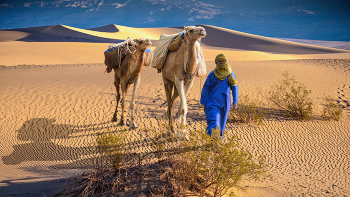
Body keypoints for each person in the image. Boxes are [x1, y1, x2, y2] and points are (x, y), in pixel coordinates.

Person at [200, 54, 238, 137]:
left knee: (221, 126)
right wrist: (204, 103)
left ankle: (218, 144)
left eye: (223, 61)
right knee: (214, 123)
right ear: (216, 62)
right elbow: (206, 88)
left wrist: (235, 101)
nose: (221, 62)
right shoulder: (212, 75)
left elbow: (235, 88)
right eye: (220, 61)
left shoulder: (230, 75)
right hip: (212, 103)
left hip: (225, 103)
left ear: (226, 62)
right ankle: (213, 143)